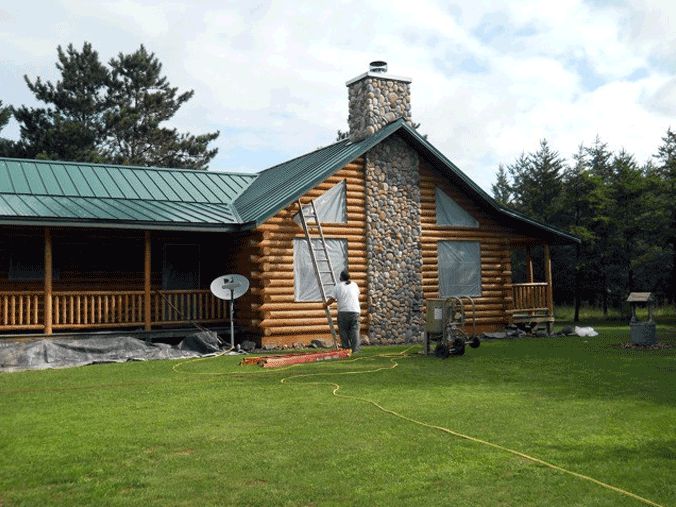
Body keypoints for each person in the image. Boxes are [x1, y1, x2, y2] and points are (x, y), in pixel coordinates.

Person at [324, 270, 360, 352]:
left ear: (341, 278)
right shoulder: (354, 285)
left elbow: (332, 299)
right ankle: (355, 350)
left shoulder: (338, 286)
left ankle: (345, 348)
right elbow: (357, 294)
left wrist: (325, 305)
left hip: (343, 311)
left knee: (343, 331)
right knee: (355, 331)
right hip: (355, 311)